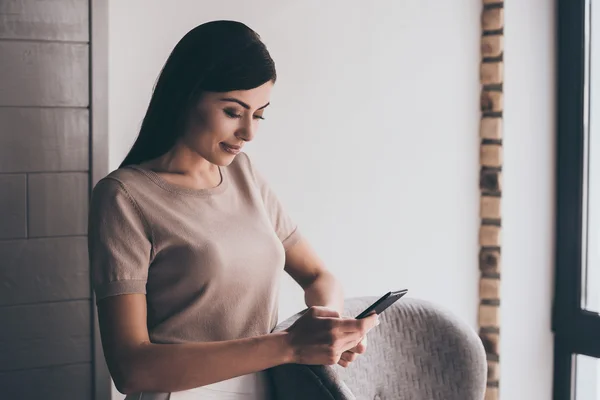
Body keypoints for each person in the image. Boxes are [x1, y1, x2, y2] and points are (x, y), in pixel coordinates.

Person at [88, 20, 379, 400]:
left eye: (258, 114)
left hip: (265, 389)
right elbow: (131, 369)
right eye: (232, 111)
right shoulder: (124, 197)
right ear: (185, 96)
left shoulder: (243, 173)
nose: (249, 132)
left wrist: (326, 325)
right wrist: (290, 346)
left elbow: (319, 275)